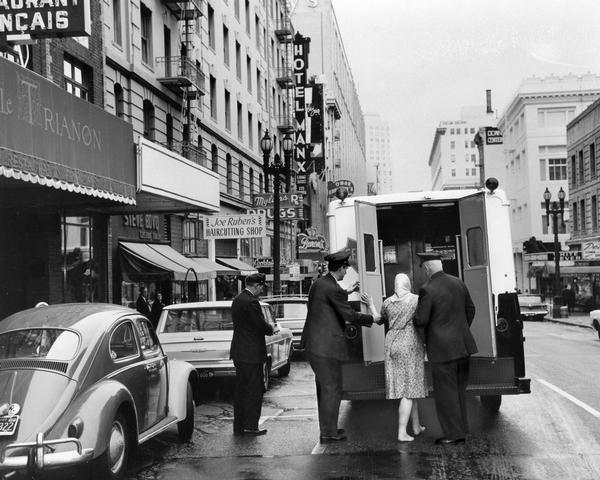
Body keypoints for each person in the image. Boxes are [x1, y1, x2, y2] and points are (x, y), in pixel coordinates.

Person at [300, 249, 378, 444]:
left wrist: (348, 291)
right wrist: (373, 318)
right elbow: (349, 315)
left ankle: (329, 429)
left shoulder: (320, 283)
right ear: (341, 268)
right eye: (346, 268)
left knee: (327, 389)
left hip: (316, 345)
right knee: (331, 389)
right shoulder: (331, 288)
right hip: (325, 347)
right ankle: (328, 433)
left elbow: (331, 296)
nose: (347, 272)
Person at [414, 251, 477, 446]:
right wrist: (460, 330)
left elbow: (421, 320)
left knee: (446, 395)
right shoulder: (458, 282)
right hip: (463, 347)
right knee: (459, 391)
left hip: (442, 351)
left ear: (426, 268)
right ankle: (462, 428)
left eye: (423, 270)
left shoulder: (427, 289)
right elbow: (471, 309)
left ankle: (453, 434)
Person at [379, 273, 427, 442]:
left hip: (392, 342)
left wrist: (370, 304)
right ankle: (402, 432)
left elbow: (379, 319)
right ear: (408, 284)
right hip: (410, 343)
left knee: (410, 385)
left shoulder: (387, 302)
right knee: (408, 388)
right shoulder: (416, 300)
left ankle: (416, 426)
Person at [230, 273, 274, 436]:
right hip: (252, 353)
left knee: (241, 390)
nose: (262, 290)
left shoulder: (237, 300)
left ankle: (239, 425)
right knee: (254, 390)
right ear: (256, 286)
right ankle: (250, 426)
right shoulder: (252, 302)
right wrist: (270, 329)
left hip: (239, 352)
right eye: (262, 287)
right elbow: (259, 325)